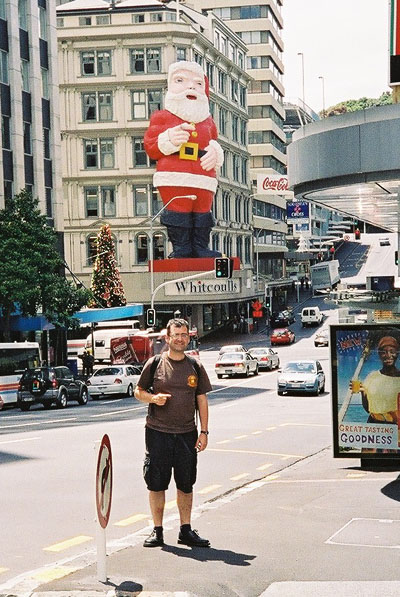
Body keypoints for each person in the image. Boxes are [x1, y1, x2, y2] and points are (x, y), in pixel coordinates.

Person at [134, 318, 212, 548]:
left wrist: (204, 431)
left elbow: (202, 399)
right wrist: (152, 398)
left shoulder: (195, 366)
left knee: (185, 484)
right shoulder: (155, 363)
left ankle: (185, 530)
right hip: (158, 432)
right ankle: (157, 531)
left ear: (189, 337)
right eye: (176, 334)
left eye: (184, 335)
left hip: (187, 433)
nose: (180, 338)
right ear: (167, 338)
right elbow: (138, 391)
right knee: (156, 483)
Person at [144, 61, 223, 258]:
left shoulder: (208, 121)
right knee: (178, 213)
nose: (190, 87)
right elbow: (151, 146)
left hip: (204, 179)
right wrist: (169, 139)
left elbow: (214, 141)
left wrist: (215, 152)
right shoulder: (162, 117)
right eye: (181, 80)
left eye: (197, 84)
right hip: (174, 177)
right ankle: (182, 249)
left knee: (203, 214)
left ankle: (201, 247)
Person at [351, 335, 400, 424]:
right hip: (374, 425)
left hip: (395, 427)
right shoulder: (372, 377)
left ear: (397, 353)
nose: (388, 355)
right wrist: (361, 390)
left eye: (392, 351)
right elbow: (367, 407)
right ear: (379, 355)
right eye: (383, 352)